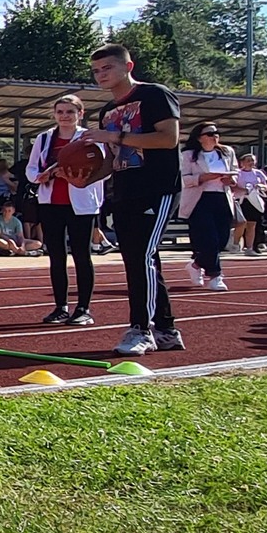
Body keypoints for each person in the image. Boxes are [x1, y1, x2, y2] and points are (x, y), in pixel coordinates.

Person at [78, 43, 183, 355]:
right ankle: (166, 330)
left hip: (157, 187)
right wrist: (82, 177)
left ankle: (142, 328)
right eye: (96, 71)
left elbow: (168, 139)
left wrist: (113, 136)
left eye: (107, 68)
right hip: (124, 190)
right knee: (140, 259)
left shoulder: (154, 95)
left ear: (128, 66)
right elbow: (114, 159)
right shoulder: (106, 112)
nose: (100, 75)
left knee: (142, 257)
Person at [23, 95, 105, 325]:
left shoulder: (89, 138)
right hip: (51, 203)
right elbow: (30, 169)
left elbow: (101, 168)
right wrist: (41, 176)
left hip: (81, 205)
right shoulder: (44, 138)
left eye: (70, 111)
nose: (64, 116)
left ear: (80, 113)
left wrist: (73, 174)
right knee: (56, 256)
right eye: (60, 112)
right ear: (54, 114)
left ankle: (83, 308)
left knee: (81, 254)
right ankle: (60, 307)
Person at [178, 123, 238, 292]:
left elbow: (235, 171)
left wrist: (231, 180)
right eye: (210, 133)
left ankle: (196, 264)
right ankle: (215, 276)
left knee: (221, 239)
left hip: (221, 198)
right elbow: (183, 179)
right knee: (209, 238)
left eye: (217, 133)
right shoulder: (188, 155)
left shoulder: (227, 152)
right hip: (200, 200)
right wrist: (202, 177)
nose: (215, 136)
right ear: (199, 137)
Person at [229, 151, 267, 257]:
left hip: (254, 200)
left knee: (252, 224)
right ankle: (236, 244)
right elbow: (232, 185)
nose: (251, 162)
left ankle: (249, 247)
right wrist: (244, 190)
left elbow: (266, 186)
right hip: (241, 200)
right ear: (242, 163)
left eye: (252, 160)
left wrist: (260, 187)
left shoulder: (258, 173)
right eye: (248, 160)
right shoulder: (238, 173)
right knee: (242, 222)